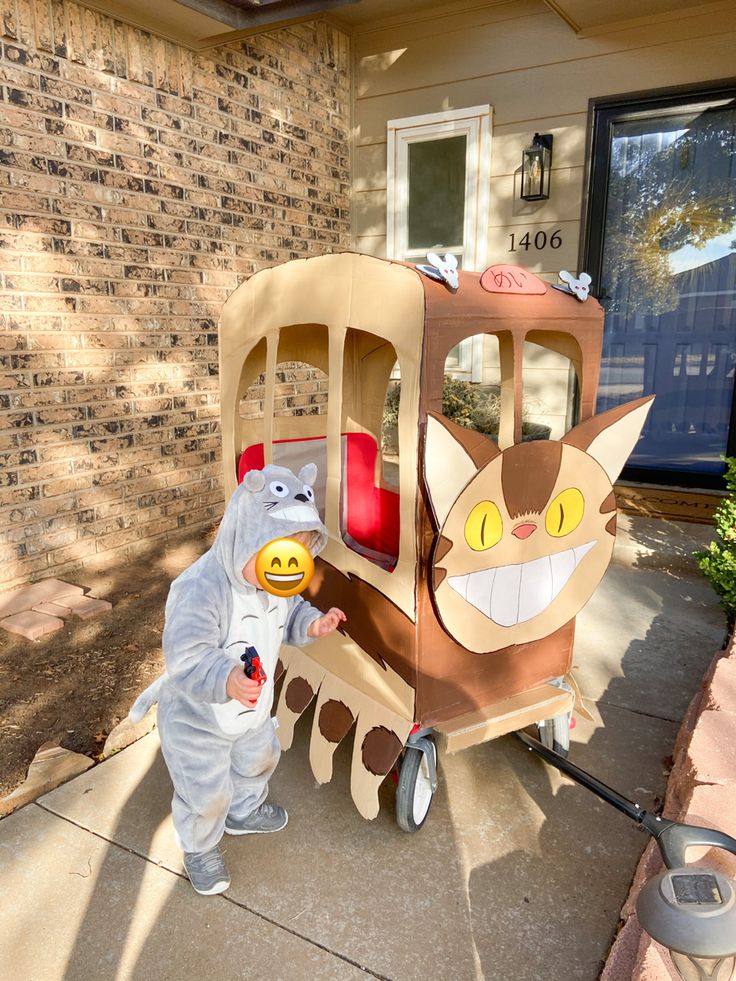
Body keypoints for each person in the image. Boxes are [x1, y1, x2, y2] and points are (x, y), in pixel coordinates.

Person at [129, 463, 345, 895]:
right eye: (274, 555)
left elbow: (291, 613)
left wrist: (312, 624)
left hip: (251, 710)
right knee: (205, 791)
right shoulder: (201, 589)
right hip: (199, 716)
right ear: (244, 538)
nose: (283, 572)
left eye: (296, 557)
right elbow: (187, 656)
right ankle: (199, 846)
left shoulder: (275, 584)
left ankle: (243, 811)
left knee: (259, 760)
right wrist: (227, 678)